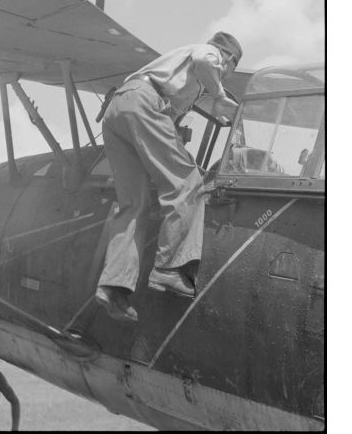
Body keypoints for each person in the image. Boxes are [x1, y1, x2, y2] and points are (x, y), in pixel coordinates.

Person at [95, 31, 243, 322]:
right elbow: (204, 59)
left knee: (133, 204)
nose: (225, 74)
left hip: (119, 108)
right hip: (144, 102)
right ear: (228, 58)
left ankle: (113, 287)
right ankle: (169, 268)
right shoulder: (209, 53)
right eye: (230, 69)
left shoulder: (182, 70)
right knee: (188, 182)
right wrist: (220, 96)